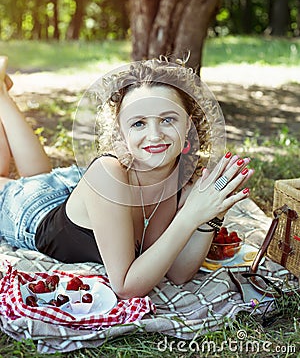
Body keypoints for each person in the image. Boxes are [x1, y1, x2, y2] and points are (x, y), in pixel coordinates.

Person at [0, 56, 253, 299]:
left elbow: (177, 274)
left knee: (38, 175)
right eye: (139, 123)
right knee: (9, 179)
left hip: (76, 193)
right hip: (31, 212)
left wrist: (210, 214)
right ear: (121, 131)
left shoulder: (183, 185)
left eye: (167, 119)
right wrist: (189, 216)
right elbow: (125, 286)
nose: (155, 135)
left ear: (188, 124)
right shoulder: (108, 173)